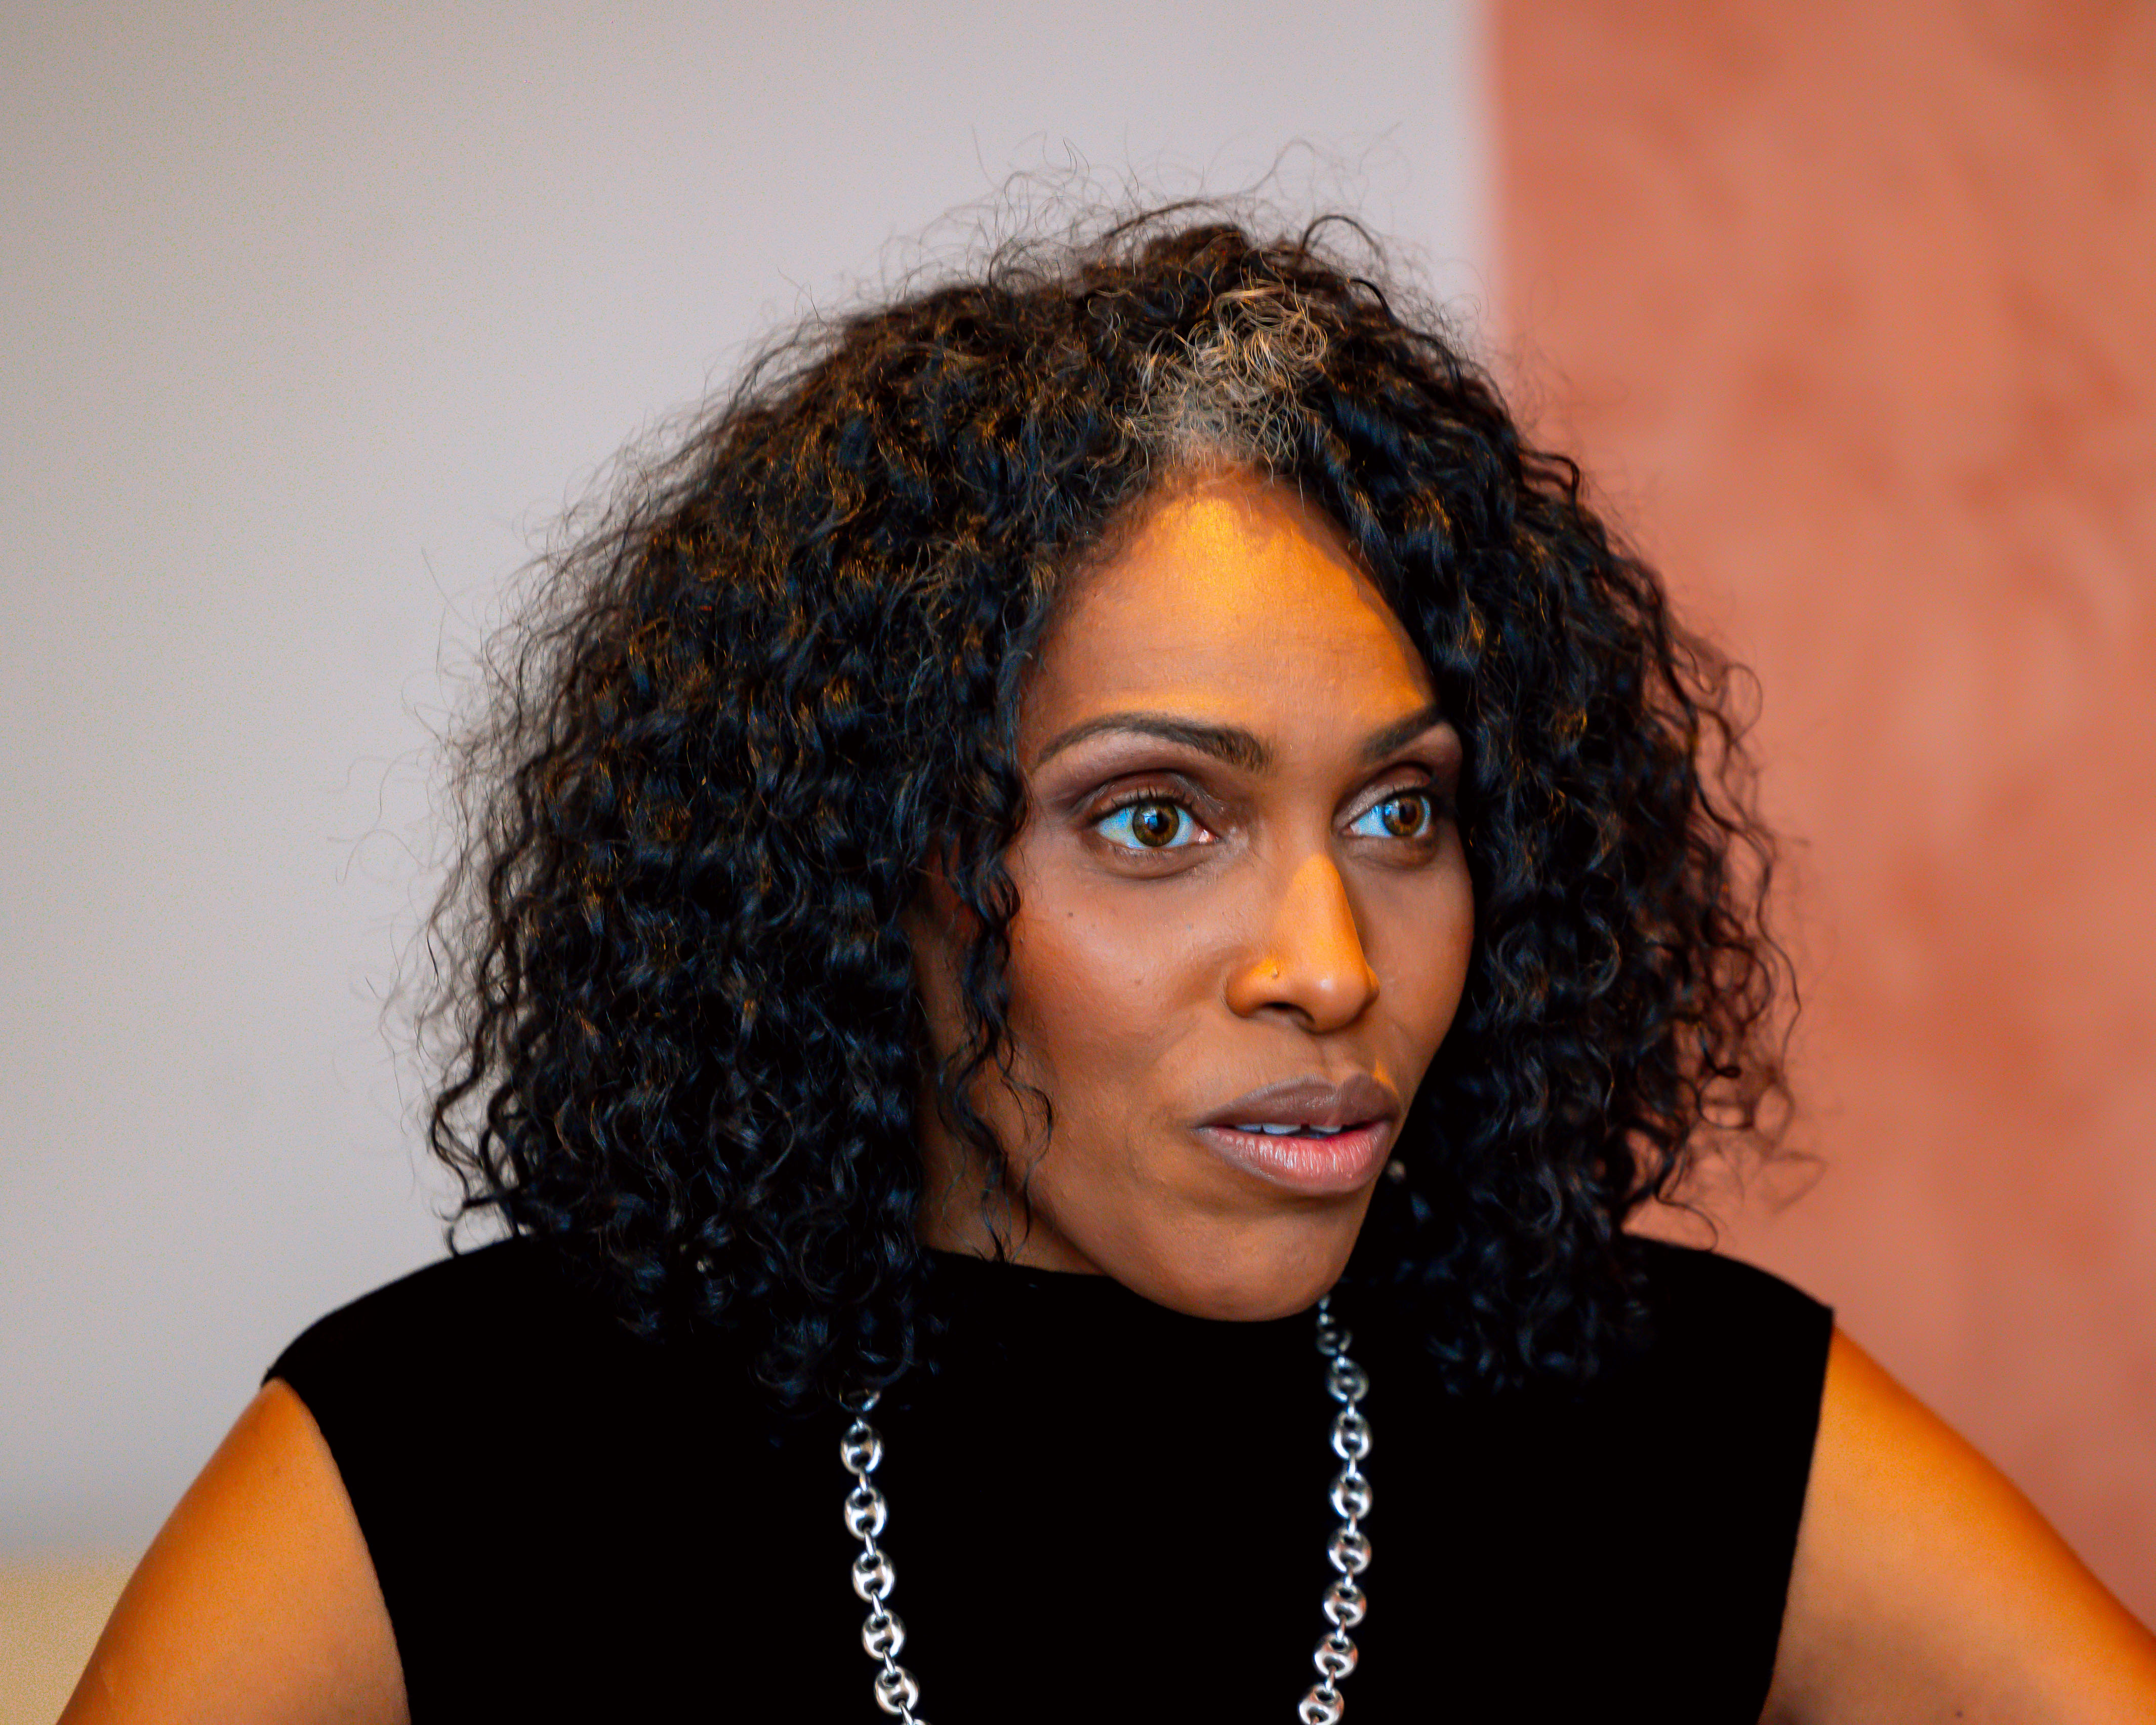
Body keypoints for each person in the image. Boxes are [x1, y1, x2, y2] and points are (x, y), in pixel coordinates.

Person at [63, 207, 2156, 1724]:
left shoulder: (1674, 1423)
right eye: (1156, 820)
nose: (1330, 964)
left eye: (1401, 815)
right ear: (865, 862)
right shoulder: (459, 1453)